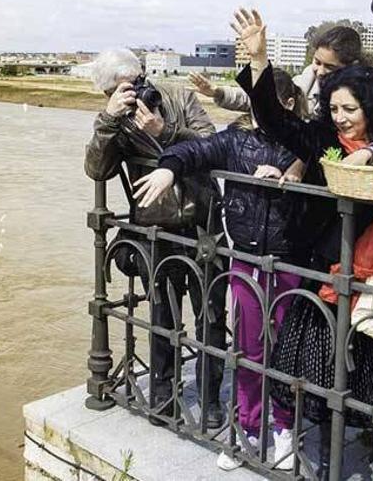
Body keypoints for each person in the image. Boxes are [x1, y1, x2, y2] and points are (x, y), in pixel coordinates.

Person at [231, 7, 373, 477]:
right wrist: (258, 63)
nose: (340, 118)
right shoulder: (323, 141)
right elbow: (274, 120)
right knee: (309, 372)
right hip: (322, 272)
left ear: (370, 109)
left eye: (350, 110)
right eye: (334, 109)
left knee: (368, 379)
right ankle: (293, 440)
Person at [132, 71, 309, 471]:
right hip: (245, 259)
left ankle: (282, 429)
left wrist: (291, 174)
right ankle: (246, 428)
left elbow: (320, 167)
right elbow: (197, 151)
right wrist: (168, 168)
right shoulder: (235, 138)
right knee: (248, 349)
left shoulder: (303, 141)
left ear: (284, 105)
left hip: (290, 259)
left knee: (284, 352)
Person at [83, 49, 228, 428]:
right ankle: (164, 394)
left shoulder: (179, 97)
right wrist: (108, 120)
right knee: (162, 317)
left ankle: (211, 399)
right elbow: (97, 169)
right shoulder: (115, 119)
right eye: (120, 90)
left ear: (145, 75)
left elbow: (212, 144)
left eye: (136, 84)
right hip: (156, 229)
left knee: (210, 318)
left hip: (202, 224)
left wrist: (164, 131)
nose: (134, 95)